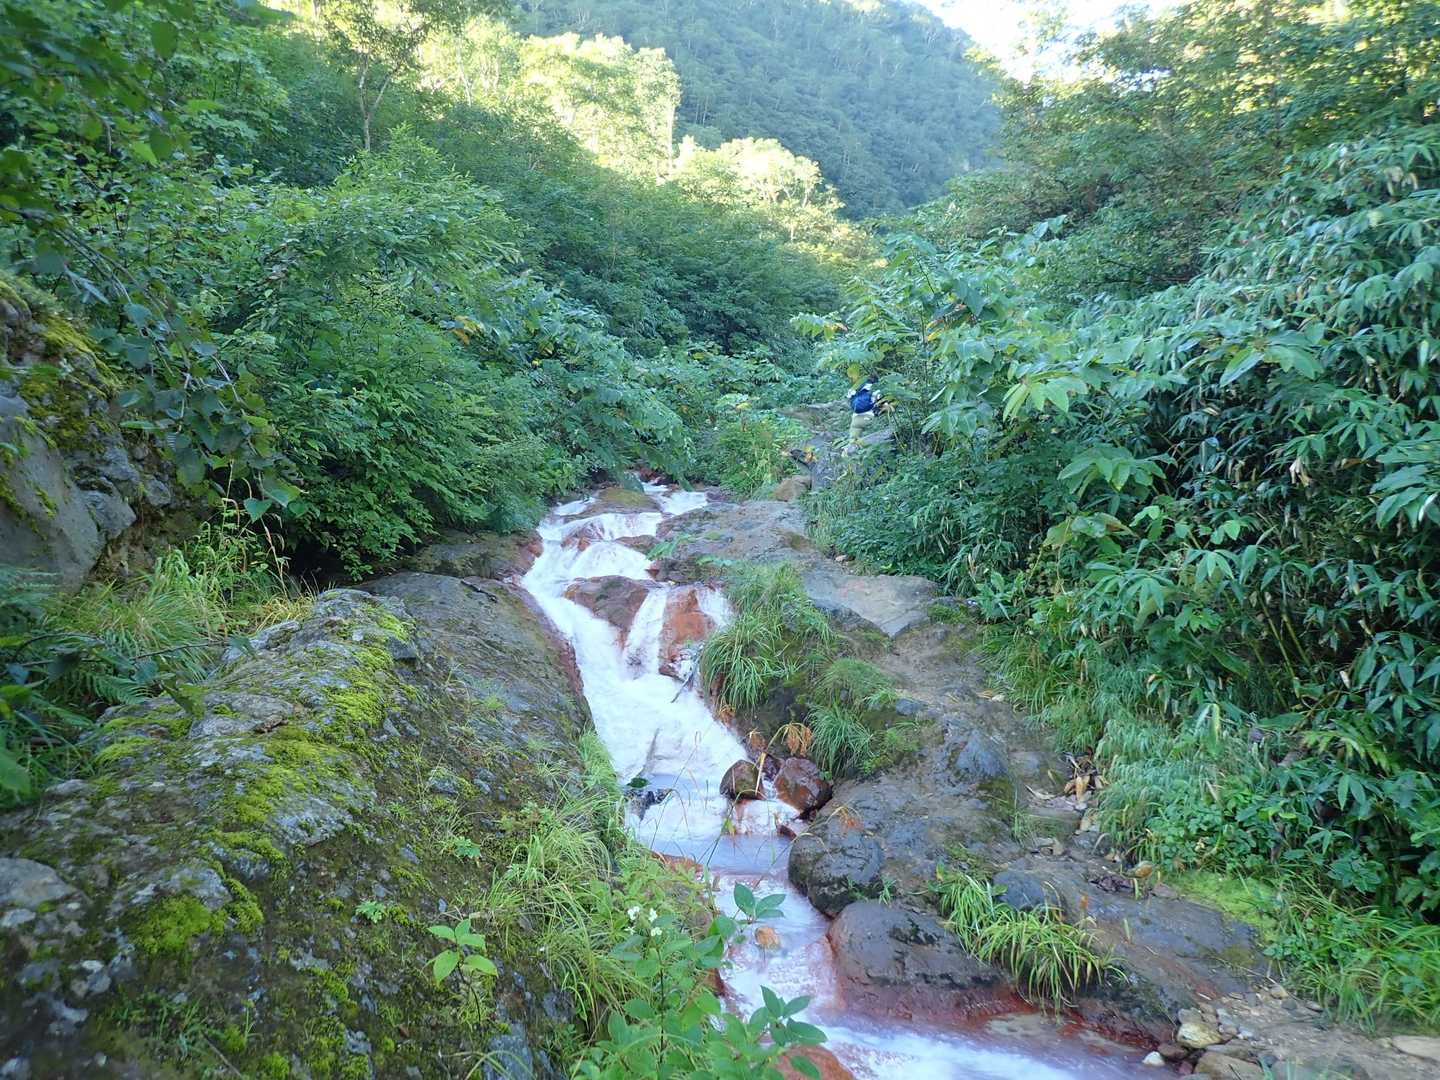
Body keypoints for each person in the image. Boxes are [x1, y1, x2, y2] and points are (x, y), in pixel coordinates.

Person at [846, 376, 877, 449]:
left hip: (856, 418)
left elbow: (849, 399)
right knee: (870, 440)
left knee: (853, 440)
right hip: (869, 417)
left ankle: (849, 452)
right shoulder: (875, 389)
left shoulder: (855, 388)